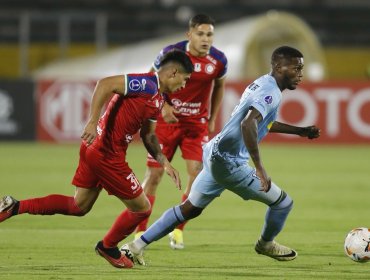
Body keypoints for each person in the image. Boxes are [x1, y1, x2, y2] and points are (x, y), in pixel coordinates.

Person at [122, 46, 321, 265]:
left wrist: (300, 131)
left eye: (301, 69)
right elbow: (248, 124)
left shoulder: (263, 83)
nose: (300, 74)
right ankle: (265, 244)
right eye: (296, 68)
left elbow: (262, 122)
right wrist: (260, 168)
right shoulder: (270, 92)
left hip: (214, 153)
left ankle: (134, 247)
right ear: (278, 66)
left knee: (189, 209)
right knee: (283, 204)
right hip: (229, 162)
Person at [0, 50, 193, 269]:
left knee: (78, 206)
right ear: (174, 72)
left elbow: (148, 135)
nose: (185, 85)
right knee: (142, 208)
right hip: (106, 153)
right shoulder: (147, 84)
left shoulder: (158, 99)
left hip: (96, 150)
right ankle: (108, 247)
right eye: (185, 79)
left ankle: (14, 206)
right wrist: (92, 121)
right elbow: (104, 84)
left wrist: (165, 163)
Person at [135, 14, 228, 250]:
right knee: (154, 176)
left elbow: (219, 86)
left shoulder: (218, 60)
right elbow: (150, 77)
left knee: (196, 177)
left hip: (196, 126)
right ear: (189, 34)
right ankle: (140, 231)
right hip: (166, 123)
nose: (205, 39)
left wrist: (213, 117)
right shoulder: (171, 53)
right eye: (200, 34)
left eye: (209, 34)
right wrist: (163, 105)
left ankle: (178, 230)